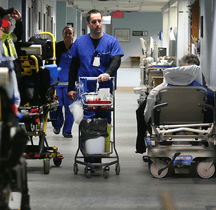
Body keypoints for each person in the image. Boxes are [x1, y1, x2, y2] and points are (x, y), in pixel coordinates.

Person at [67, 9, 124, 164]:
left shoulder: (111, 41)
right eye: (94, 22)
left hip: (104, 90)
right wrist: (70, 88)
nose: (98, 24)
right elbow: (73, 66)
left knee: (104, 120)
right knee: (87, 121)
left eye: (100, 21)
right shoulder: (79, 42)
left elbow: (116, 60)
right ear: (88, 24)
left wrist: (108, 73)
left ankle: (101, 152)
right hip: (85, 88)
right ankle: (89, 155)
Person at [135, 54, 211, 154]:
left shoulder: (169, 83)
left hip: (168, 114)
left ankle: (141, 145)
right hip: (193, 115)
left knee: (141, 110)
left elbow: (151, 103)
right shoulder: (201, 88)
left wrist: (150, 120)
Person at [50, 26, 75, 138]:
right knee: (55, 107)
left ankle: (67, 131)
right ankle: (57, 124)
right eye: (66, 33)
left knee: (70, 110)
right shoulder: (56, 47)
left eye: (70, 33)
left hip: (70, 84)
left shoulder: (76, 48)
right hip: (57, 83)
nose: (68, 35)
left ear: (73, 35)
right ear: (63, 34)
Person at [0, 6, 23, 75]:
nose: (11, 24)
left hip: (15, 71)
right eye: (9, 20)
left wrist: (19, 20)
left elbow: (18, 35)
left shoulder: (8, 36)